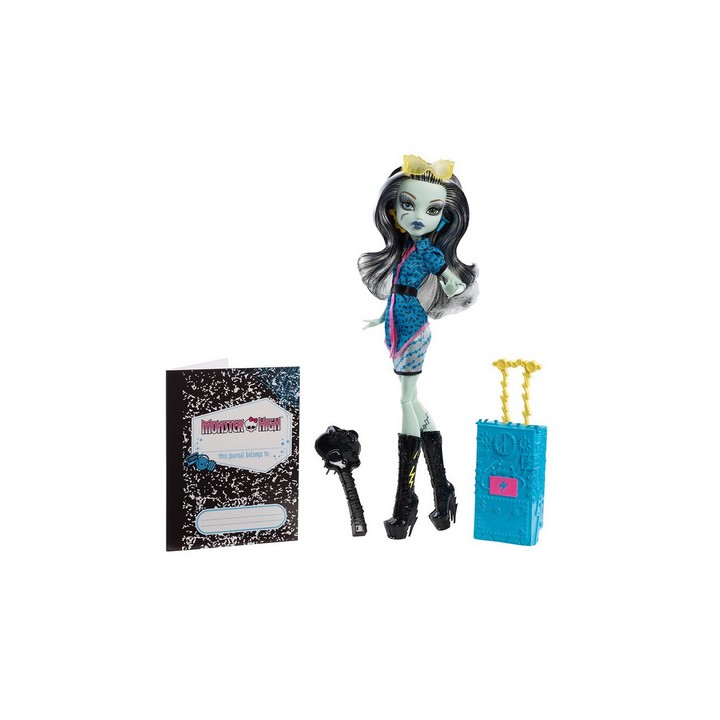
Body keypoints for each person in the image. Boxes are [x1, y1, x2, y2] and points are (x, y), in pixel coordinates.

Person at [358, 155, 478, 539]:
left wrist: (453, 284)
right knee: (411, 401)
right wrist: (382, 317)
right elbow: (398, 290)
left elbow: (450, 281)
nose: (418, 216)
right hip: (398, 323)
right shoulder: (407, 250)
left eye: (432, 209)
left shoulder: (427, 251)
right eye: (408, 205)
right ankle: (442, 490)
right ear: (393, 211)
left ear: (443, 218)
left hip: (412, 327)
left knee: (407, 401)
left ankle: (405, 500)